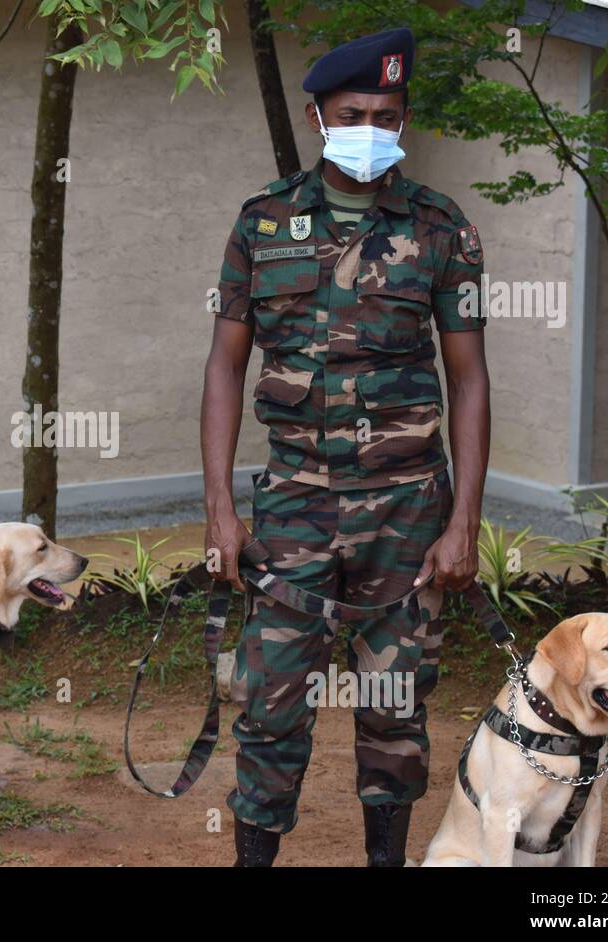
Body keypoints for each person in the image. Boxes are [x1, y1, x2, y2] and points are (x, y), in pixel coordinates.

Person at [201, 27, 491, 867]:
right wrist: (221, 510)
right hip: (291, 507)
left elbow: (469, 379)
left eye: (387, 114)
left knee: (396, 708)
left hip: (408, 513)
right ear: (317, 116)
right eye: (355, 112)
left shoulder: (441, 229)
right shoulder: (263, 223)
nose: (372, 126)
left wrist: (463, 520)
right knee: (271, 703)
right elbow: (224, 367)